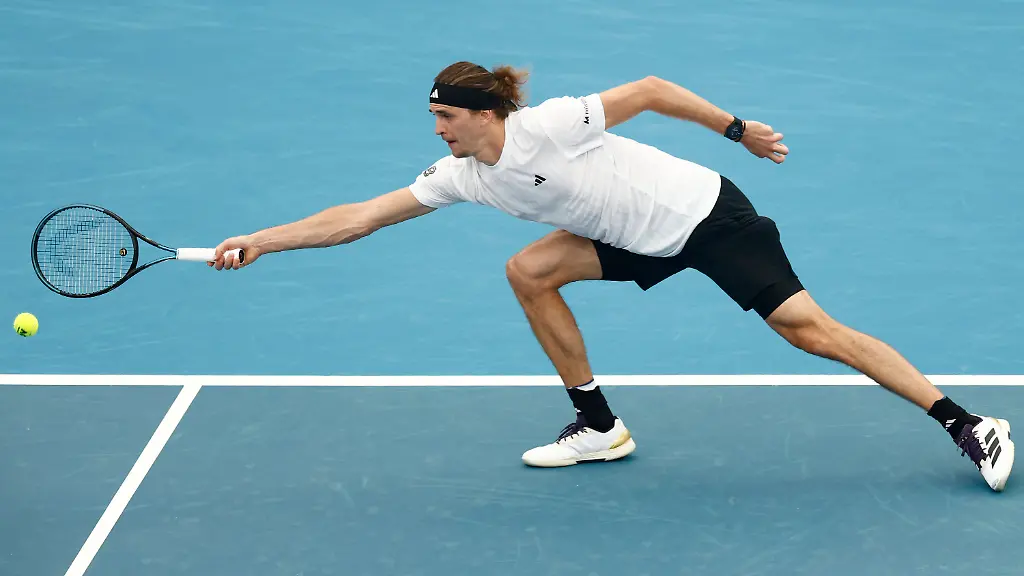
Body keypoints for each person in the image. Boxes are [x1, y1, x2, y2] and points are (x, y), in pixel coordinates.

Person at [209, 61, 1014, 491]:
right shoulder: (462, 176)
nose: (438, 129)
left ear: (487, 114)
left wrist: (737, 131)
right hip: (628, 236)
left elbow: (654, 90)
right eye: (435, 120)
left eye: (446, 117)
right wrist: (262, 240)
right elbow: (361, 215)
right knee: (528, 269)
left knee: (811, 332)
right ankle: (598, 426)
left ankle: (966, 423)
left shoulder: (550, 125)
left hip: (704, 217)